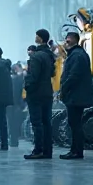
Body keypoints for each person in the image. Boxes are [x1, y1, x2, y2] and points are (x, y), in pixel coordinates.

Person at [59, 31, 93, 160]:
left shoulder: (77, 55)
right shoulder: (76, 54)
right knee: (74, 123)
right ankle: (75, 150)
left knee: (75, 124)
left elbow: (74, 75)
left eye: (68, 40)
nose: (66, 42)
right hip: (75, 95)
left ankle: (77, 151)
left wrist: (64, 89)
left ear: (74, 40)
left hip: (76, 95)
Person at [24, 29, 57, 160]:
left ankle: (38, 150)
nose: (35, 38)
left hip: (36, 94)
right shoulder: (50, 55)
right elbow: (52, 73)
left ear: (40, 38)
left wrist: (27, 87)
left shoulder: (36, 56)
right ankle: (47, 151)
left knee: (36, 123)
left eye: (36, 36)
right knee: (46, 123)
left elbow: (34, 76)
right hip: (47, 92)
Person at [8, 63, 26, 147]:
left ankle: (12, 140)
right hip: (18, 104)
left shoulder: (10, 79)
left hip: (11, 104)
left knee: (11, 123)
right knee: (15, 123)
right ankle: (14, 140)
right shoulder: (19, 79)